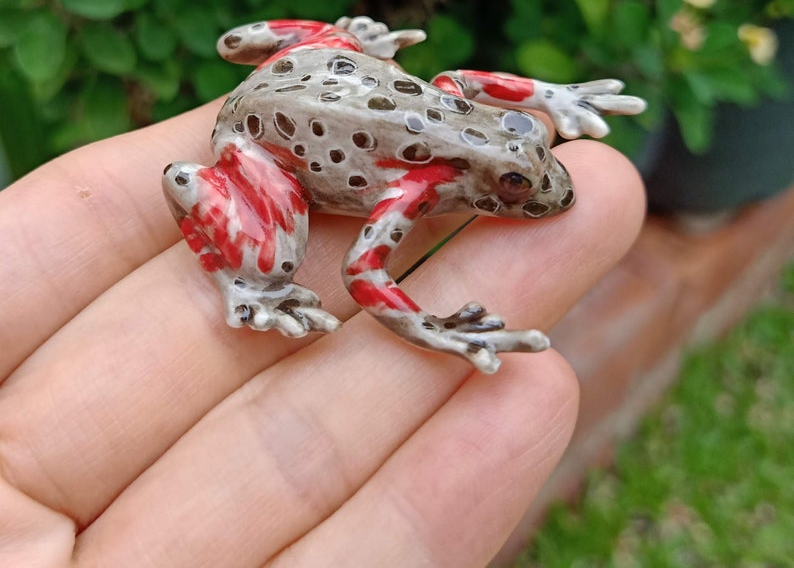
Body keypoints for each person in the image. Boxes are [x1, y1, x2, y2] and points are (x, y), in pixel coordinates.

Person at [0, 99, 645, 567]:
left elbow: (462, 81)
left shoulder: (449, 98)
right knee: (276, 260)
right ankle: (235, 270)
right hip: (257, 143)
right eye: (513, 185)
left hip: (298, 88)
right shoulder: (420, 183)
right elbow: (360, 270)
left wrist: (546, 101)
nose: (538, 191)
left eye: (526, 141)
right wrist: (432, 329)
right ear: (473, 180)